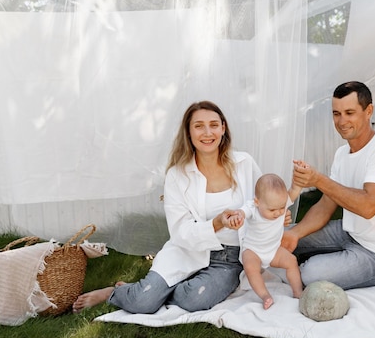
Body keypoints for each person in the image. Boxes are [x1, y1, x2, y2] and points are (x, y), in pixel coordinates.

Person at [73, 101, 262, 314]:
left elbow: (263, 201)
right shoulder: (177, 175)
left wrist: (278, 213)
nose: (207, 132)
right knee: (142, 303)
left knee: (194, 299)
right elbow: (180, 231)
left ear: (223, 129)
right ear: (189, 132)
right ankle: (115, 293)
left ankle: (149, 291)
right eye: (199, 126)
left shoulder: (244, 163)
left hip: (229, 259)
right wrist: (217, 224)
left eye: (214, 125)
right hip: (187, 250)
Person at [282, 81, 375, 291]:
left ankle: (308, 264)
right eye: (336, 113)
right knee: (277, 237)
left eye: (349, 112)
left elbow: (368, 206)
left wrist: (318, 179)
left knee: (311, 274)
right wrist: (295, 234)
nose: (342, 121)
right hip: (349, 232)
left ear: (368, 111)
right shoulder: (342, 154)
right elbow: (325, 205)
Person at [228, 173, 303, 309]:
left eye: (281, 208)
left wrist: (297, 184)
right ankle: (265, 296)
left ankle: (298, 292)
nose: (278, 213)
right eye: (272, 210)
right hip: (253, 250)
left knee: (291, 261)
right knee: (251, 268)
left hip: (273, 249)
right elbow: (243, 212)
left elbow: (294, 192)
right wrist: (238, 215)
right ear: (257, 202)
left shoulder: (280, 203)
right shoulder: (252, 207)